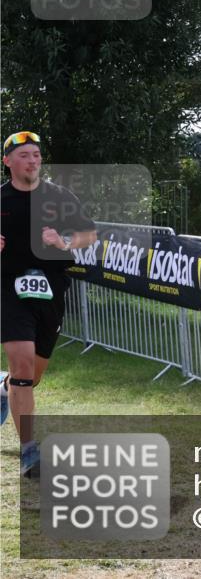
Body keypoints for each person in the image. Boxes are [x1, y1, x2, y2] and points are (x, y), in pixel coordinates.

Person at [1, 131, 97, 476]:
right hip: (8, 287)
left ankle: (4, 388)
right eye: (24, 155)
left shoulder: (59, 196)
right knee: (23, 365)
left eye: (37, 155)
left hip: (52, 289)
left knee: (32, 375)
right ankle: (29, 450)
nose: (32, 160)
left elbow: (89, 234)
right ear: (8, 161)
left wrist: (64, 240)